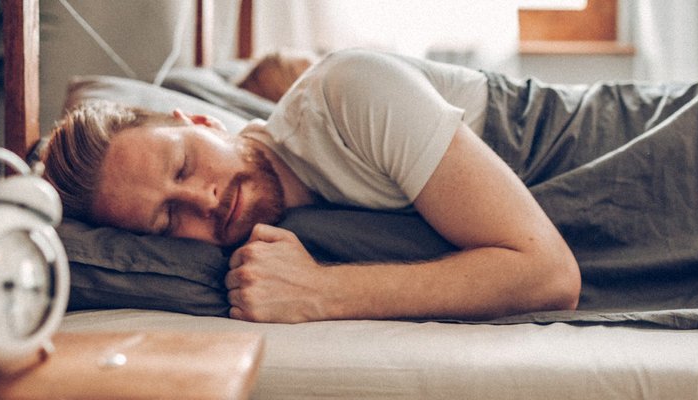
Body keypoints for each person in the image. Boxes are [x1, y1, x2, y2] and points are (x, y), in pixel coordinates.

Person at [41, 49, 586, 323]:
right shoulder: (303, 221)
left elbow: (550, 273)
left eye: (183, 166)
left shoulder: (348, 94)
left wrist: (323, 292)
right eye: (165, 220)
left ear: (203, 123)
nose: (203, 201)